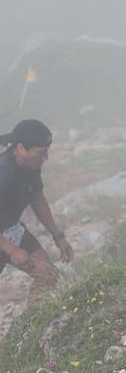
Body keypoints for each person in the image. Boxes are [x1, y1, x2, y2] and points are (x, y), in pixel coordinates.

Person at [0, 119, 74, 289]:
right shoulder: (3, 174)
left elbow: (37, 197)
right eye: (40, 153)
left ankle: (34, 316)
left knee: (48, 276)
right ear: (20, 148)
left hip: (12, 229)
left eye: (46, 152)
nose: (45, 158)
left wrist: (58, 236)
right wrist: (11, 250)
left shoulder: (31, 166)